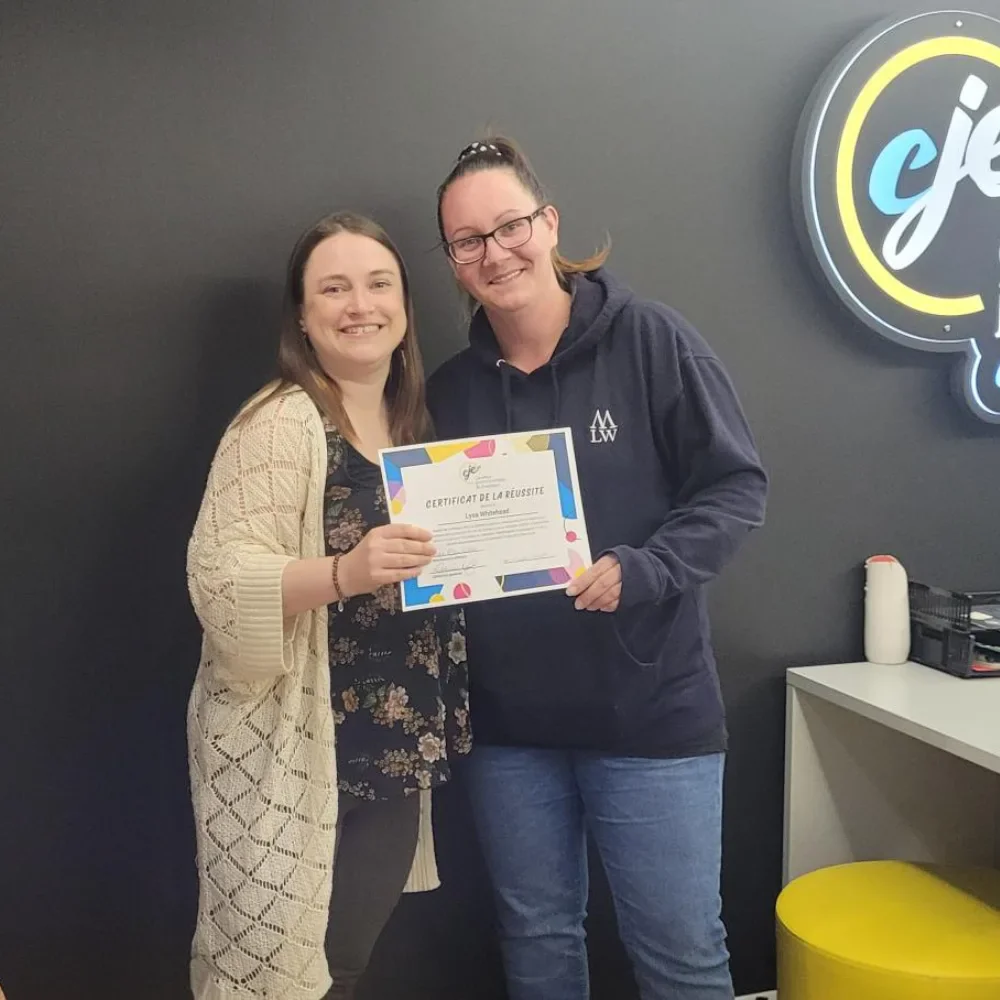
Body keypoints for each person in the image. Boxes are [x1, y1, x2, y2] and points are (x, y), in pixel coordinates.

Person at [427, 137, 768, 1000]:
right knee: (537, 944)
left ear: (549, 224)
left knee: (681, 956)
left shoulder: (650, 340)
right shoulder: (451, 391)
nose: (494, 253)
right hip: (510, 729)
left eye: (509, 226)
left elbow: (735, 487)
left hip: (652, 715)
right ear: (454, 263)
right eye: (468, 241)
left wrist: (645, 568)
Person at [186, 211, 471, 1000]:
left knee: (340, 969)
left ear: (405, 305)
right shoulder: (280, 422)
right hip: (296, 754)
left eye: (379, 284)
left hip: (392, 755)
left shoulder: (416, 427)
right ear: (304, 318)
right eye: (334, 289)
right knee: (276, 980)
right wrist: (346, 572)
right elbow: (217, 580)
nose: (360, 305)